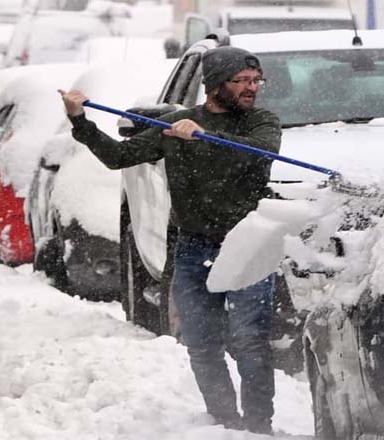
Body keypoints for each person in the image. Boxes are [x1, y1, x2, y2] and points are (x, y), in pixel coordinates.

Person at [58, 46, 281, 435]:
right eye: (241, 81)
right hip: (194, 248)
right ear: (214, 85)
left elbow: (257, 155)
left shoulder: (262, 121)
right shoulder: (177, 127)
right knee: (202, 342)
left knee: (249, 340)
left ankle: (259, 426)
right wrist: (81, 122)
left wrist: (204, 137)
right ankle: (225, 422)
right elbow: (116, 157)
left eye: (255, 80)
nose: (252, 88)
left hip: (248, 245)